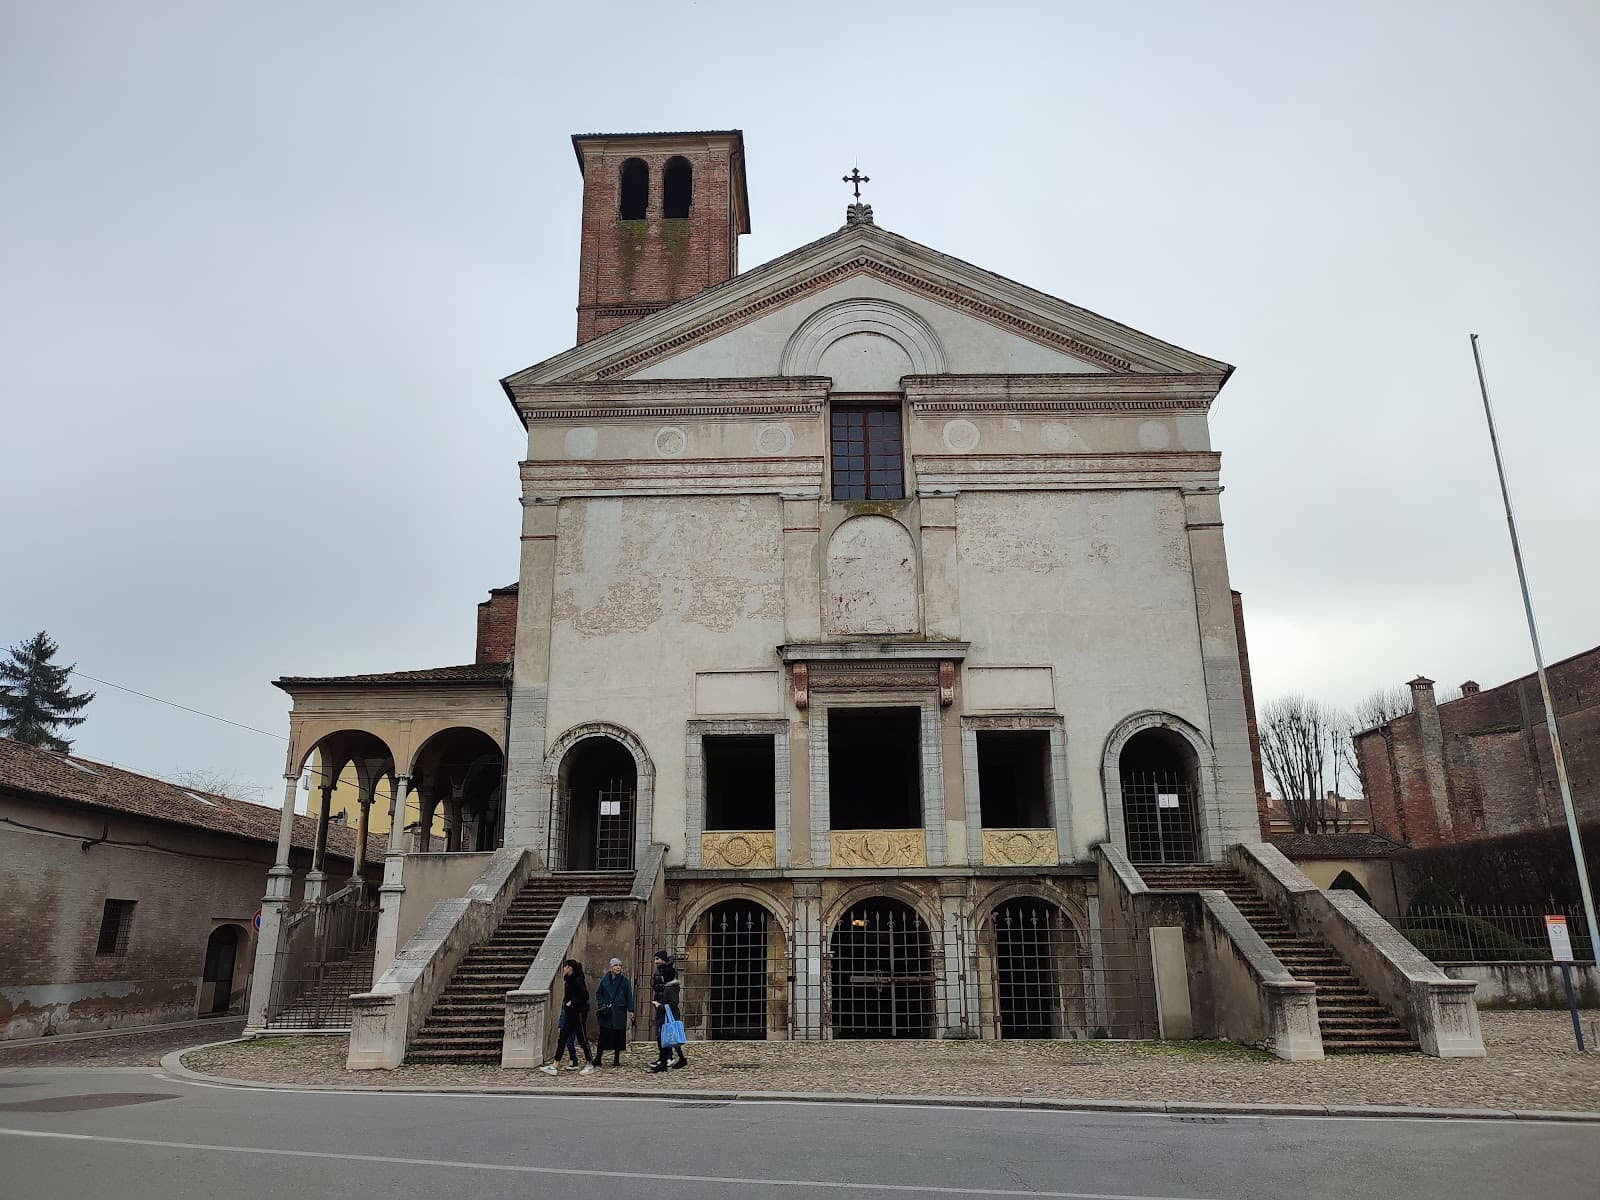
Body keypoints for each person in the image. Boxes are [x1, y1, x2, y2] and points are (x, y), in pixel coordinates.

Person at [541, 959, 595, 1076]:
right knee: (562, 1039)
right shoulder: (569, 981)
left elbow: (585, 996)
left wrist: (572, 1002)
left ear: (570, 968)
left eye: (565, 967)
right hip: (570, 1014)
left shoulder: (578, 980)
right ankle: (555, 1064)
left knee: (582, 1039)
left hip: (578, 1014)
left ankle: (589, 1063)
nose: (563, 969)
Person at [648, 948, 687, 1073]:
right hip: (667, 1015)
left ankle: (669, 1062)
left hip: (668, 1015)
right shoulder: (669, 987)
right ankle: (666, 1062)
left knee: (666, 1037)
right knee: (666, 1037)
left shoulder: (670, 989)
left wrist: (659, 1006)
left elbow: (672, 1004)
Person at [593, 956, 634, 1067]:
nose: (618, 968)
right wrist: (602, 1004)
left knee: (618, 1036)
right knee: (603, 1035)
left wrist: (631, 1009)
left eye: (619, 966)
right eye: (616, 965)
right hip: (607, 1011)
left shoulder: (624, 981)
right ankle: (598, 1057)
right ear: (611, 967)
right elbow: (599, 993)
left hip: (619, 1010)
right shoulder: (605, 980)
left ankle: (616, 1059)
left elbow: (629, 995)